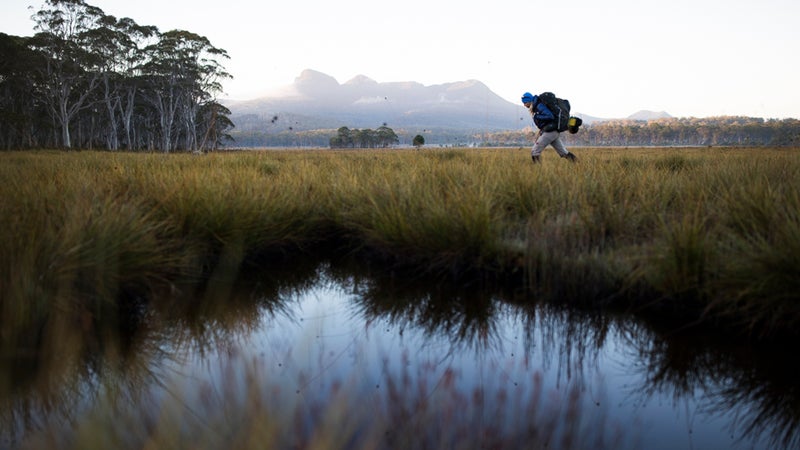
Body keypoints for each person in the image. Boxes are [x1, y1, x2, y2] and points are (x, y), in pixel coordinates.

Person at [521, 92, 577, 164]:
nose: (524, 105)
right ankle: (578, 164)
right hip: (553, 131)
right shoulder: (536, 105)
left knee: (535, 151)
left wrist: (537, 116)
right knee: (563, 153)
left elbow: (550, 116)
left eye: (525, 102)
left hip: (550, 132)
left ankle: (538, 170)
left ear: (529, 101)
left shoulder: (539, 105)